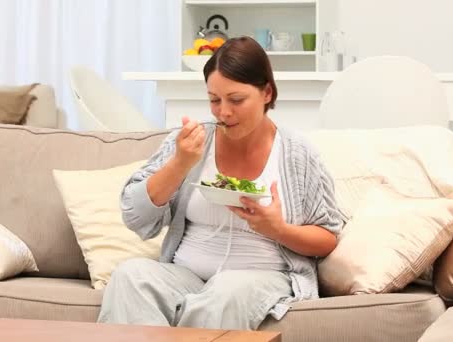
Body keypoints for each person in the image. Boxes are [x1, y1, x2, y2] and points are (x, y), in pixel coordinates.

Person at [97, 36, 343, 330]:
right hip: (186, 274)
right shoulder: (192, 142)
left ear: (266, 92)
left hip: (258, 277)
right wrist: (180, 164)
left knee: (225, 292)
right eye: (214, 100)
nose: (223, 112)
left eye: (236, 100)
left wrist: (277, 229)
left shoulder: (298, 154)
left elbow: (327, 237)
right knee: (130, 275)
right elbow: (134, 215)